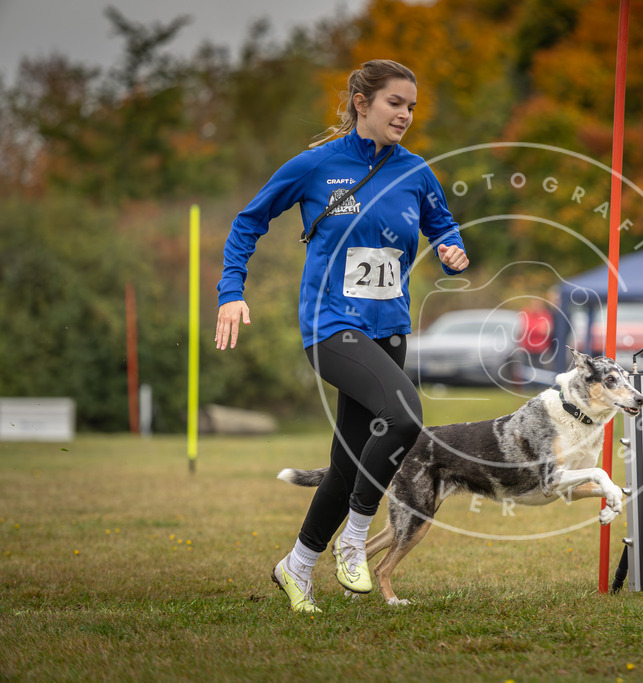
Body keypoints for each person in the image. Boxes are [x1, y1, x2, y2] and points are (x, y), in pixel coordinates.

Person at [214, 59, 469, 613]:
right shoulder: (316, 166)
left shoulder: (417, 172)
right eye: (394, 103)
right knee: (405, 415)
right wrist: (231, 292)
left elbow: (443, 226)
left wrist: (452, 251)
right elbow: (247, 222)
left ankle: (296, 567)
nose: (404, 114)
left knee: (351, 457)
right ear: (362, 101)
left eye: (411, 107)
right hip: (331, 327)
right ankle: (353, 540)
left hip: (390, 328)